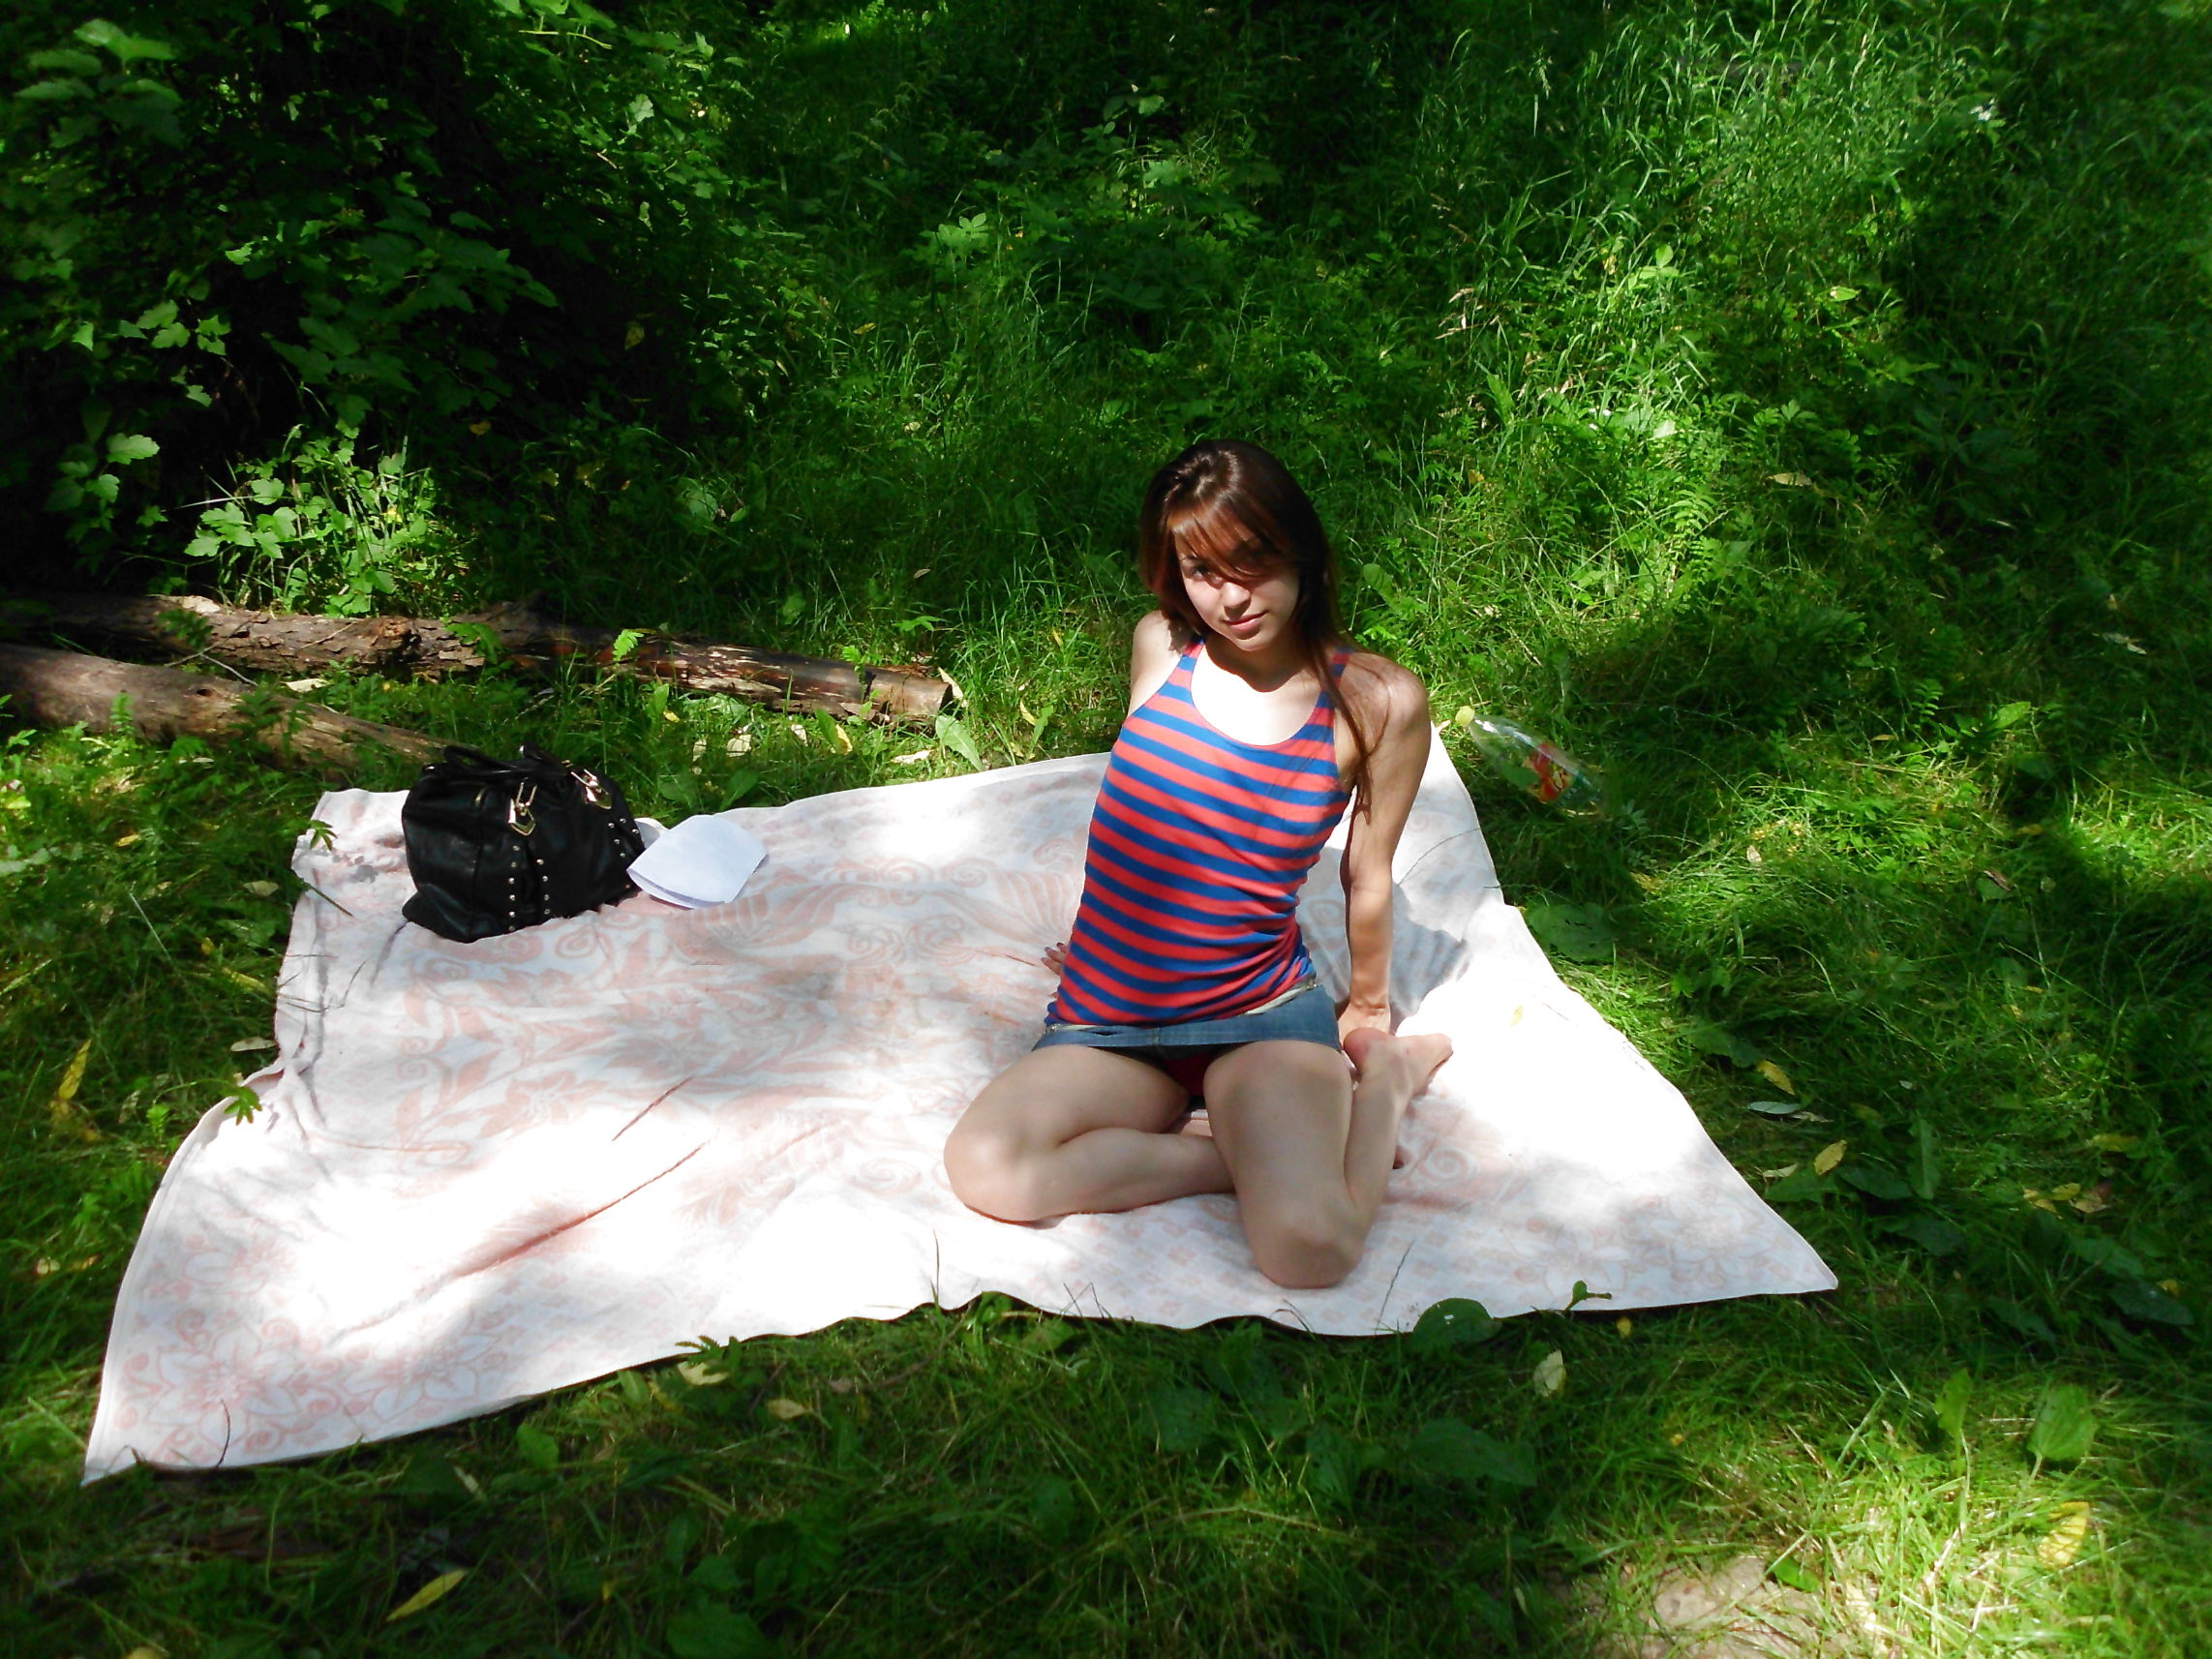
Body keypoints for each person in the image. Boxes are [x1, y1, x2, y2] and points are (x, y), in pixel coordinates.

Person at [944, 439, 1452, 1287]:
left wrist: (1367, 1011)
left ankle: (1387, 1089)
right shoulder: (1161, 646)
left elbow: (1366, 871)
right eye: (1201, 572)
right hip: (1111, 1017)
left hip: (1259, 1013)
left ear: (1301, 551)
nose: (1231, 596)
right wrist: (1112, 945)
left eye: (1251, 561)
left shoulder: (1375, 701)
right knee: (988, 1167)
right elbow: (1158, 828)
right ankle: (1242, 1165)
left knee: (1309, 1251)